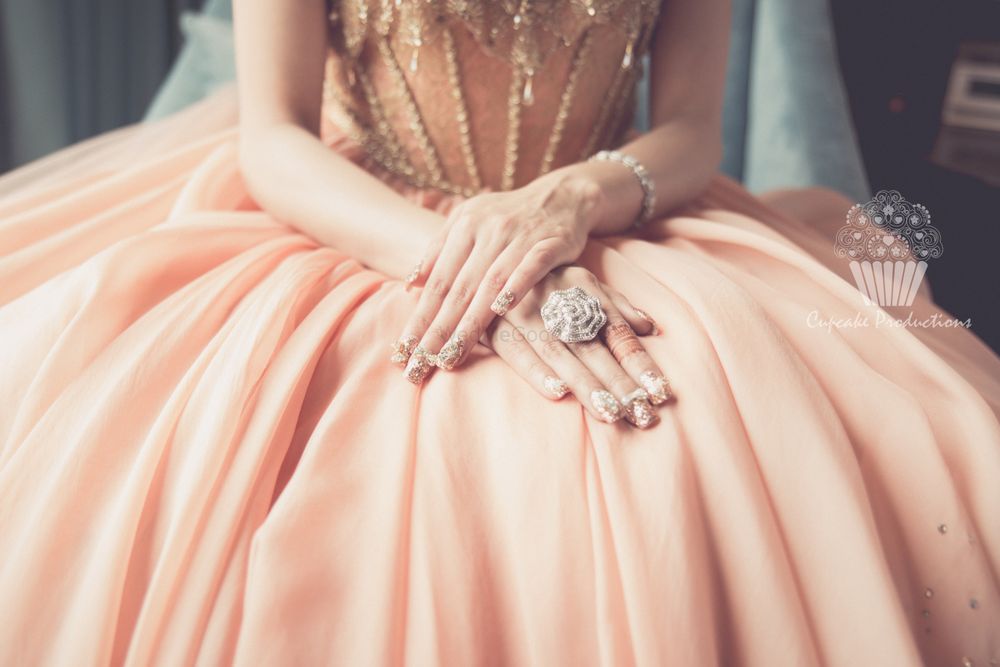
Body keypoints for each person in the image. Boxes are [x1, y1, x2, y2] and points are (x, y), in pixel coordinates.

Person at [0, 0, 997, 664]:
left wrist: (568, 200)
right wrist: (467, 261)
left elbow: (691, 127)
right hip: (355, 215)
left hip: (607, 213)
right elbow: (273, 134)